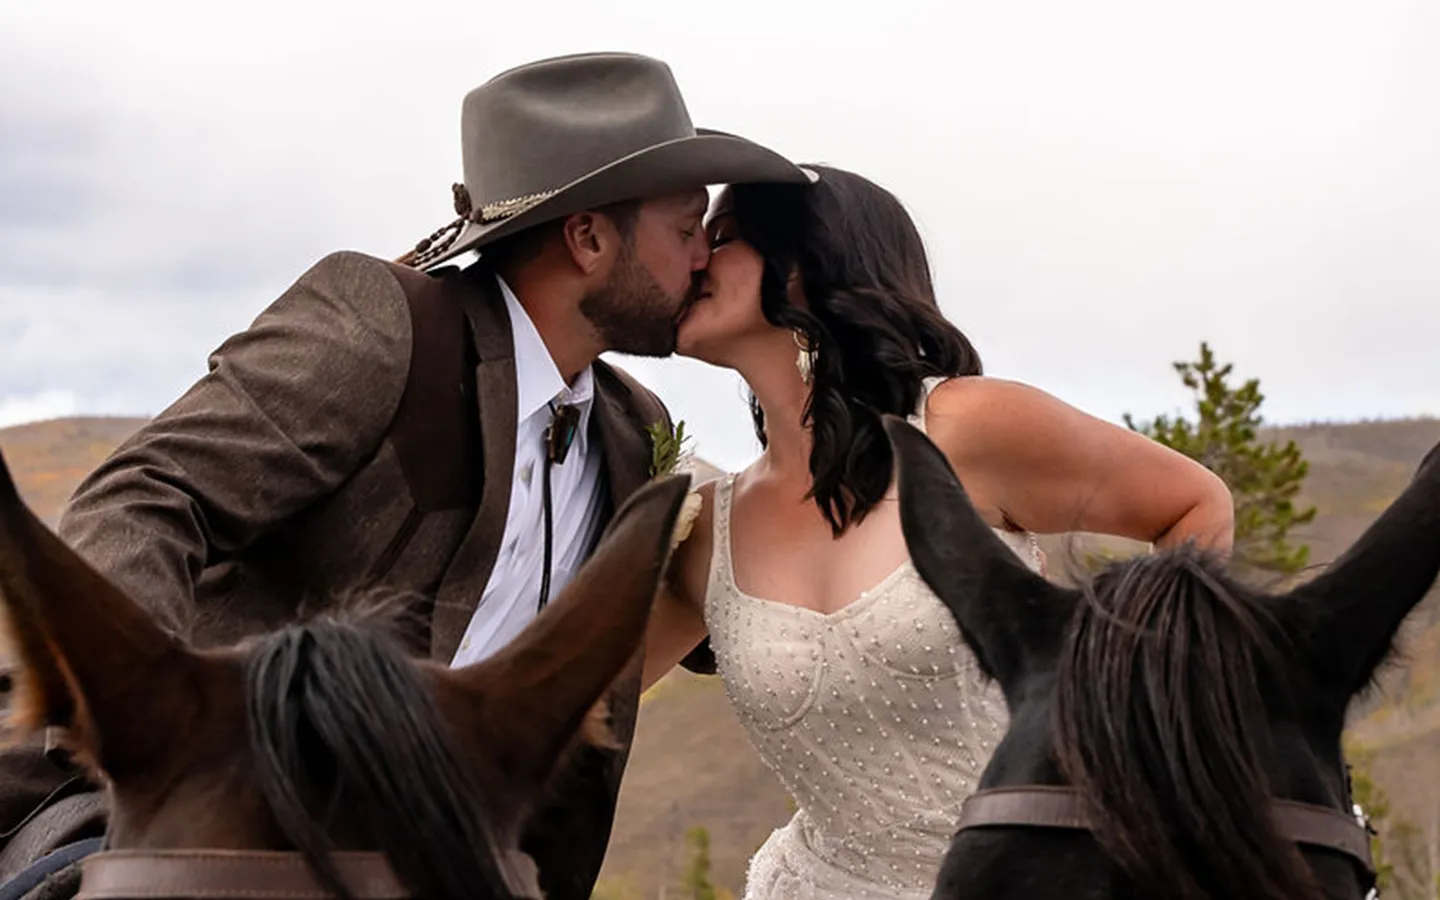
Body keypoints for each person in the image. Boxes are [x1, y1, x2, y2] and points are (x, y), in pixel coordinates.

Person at [0, 52, 811, 900]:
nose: (701, 260)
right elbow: (146, 496)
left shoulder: (631, 428)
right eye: (686, 231)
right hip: (206, 828)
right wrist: (153, 731)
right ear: (589, 237)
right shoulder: (385, 326)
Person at [641, 165, 1235, 899]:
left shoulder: (964, 429)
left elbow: (1195, 505)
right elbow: (580, 695)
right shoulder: (709, 531)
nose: (695, 255)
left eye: (724, 237)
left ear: (804, 266)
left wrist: (1146, 726)